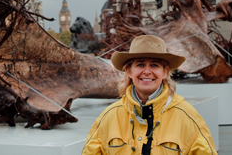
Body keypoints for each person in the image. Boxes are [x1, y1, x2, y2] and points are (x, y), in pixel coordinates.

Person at [81, 35, 217, 155]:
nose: (147, 71)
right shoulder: (109, 117)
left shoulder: (187, 117)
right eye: (140, 65)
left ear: (165, 72)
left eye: (154, 65)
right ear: (129, 71)